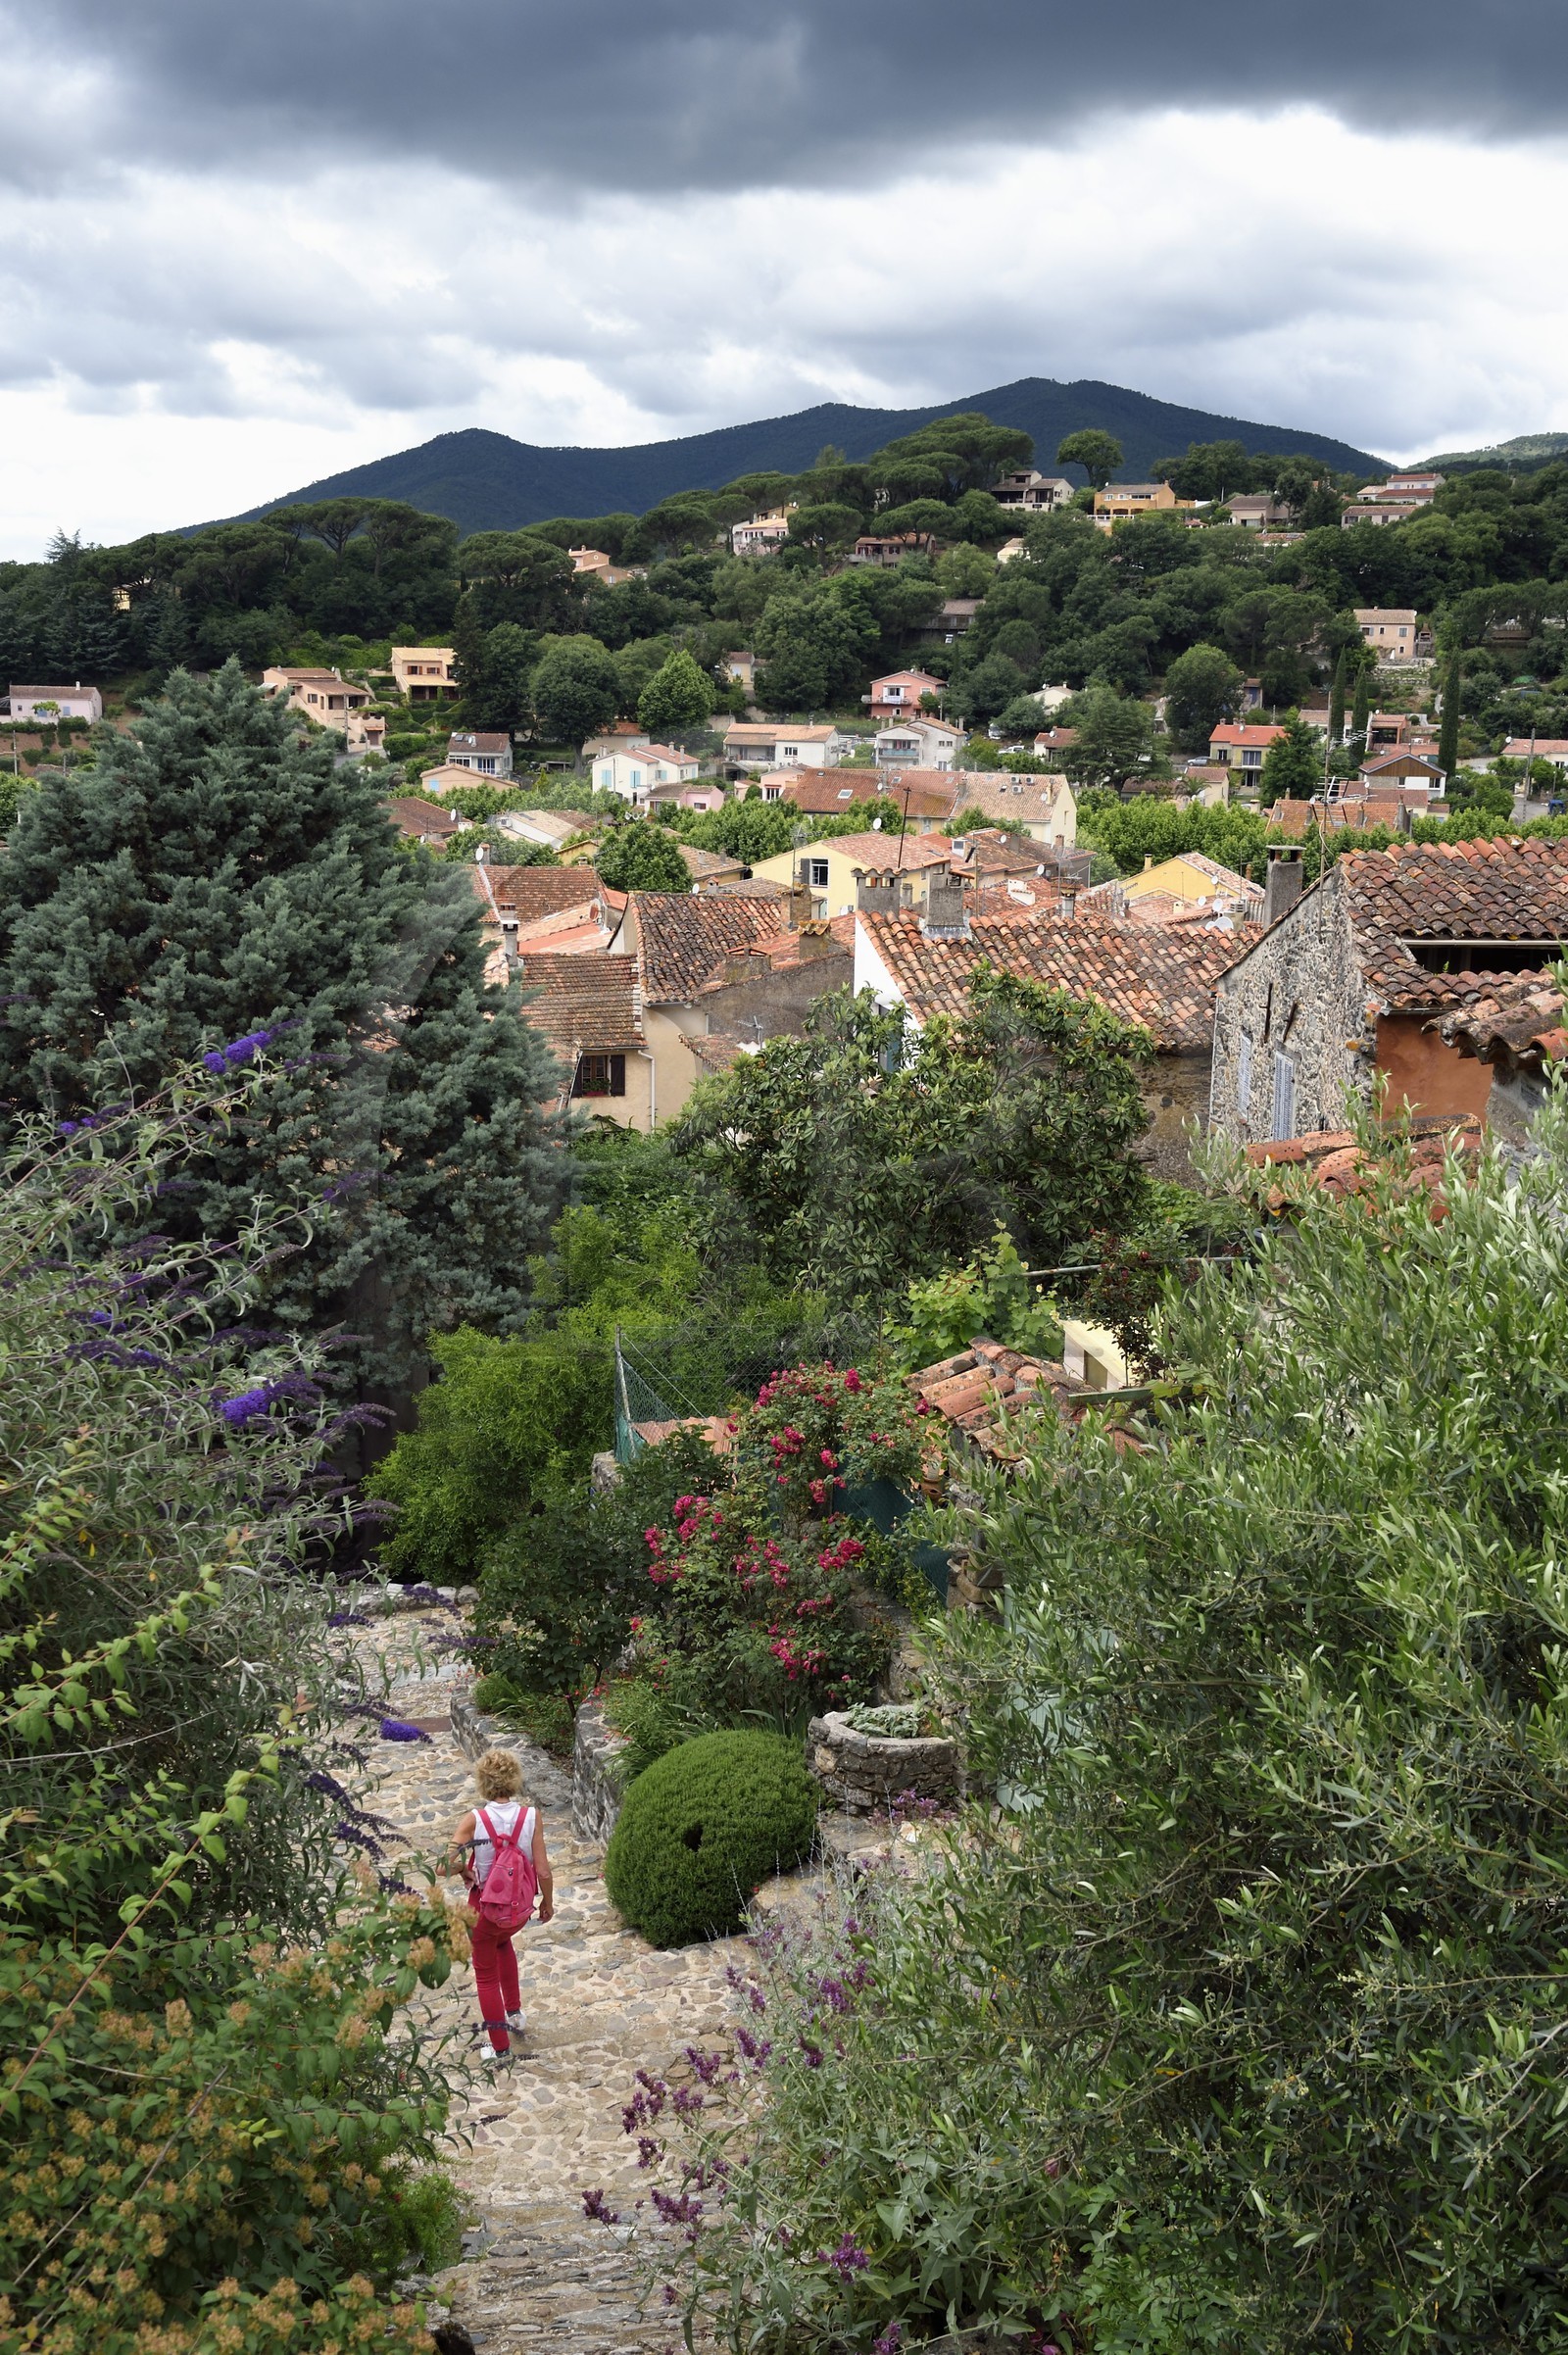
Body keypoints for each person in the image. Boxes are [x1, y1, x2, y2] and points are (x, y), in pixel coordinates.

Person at [448, 1747, 553, 2066]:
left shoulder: (475, 1820)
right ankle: (516, 2014)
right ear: (514, 1779)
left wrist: (465, 1869)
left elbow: (443, 1866)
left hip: (484, 1912)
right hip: (518, 1911)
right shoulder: (531, 1816)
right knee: (504, 1944)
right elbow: (543, 1869)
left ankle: (500, 2048)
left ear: (483, 1782)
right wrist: (547, 1902)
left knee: (485, 1977)